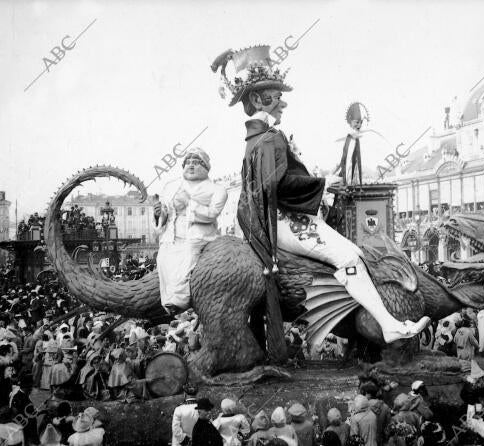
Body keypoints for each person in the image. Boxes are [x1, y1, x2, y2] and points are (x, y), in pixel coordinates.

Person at [211, 45, 429, 345]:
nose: (282, 103)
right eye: (275, 96)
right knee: (350, 256)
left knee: (356, 255)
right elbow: (277, 185)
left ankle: (380, 322)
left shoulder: (261, 137)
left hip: (287, 217)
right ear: (255, 98)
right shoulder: (267, 138)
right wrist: (322, 185)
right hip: (284, 221)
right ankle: (388, 324)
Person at [154, 148, 228, 314]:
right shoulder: (171, 186)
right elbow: (166, 214)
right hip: (173, 234)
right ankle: (167, 299)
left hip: (198, 234)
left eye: (196, 162)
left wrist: (189, 203)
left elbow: (212, 214)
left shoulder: (217, 189)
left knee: (188, 255)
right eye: (188, 162)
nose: (191, 166)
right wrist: (159, 214)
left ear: (205, 167)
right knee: (162, 258)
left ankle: (179, 300)